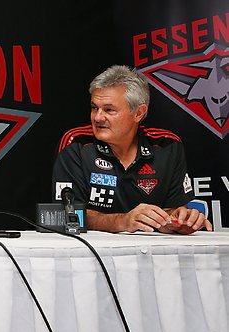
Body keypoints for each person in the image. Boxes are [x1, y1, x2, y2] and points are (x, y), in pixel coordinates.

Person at [52, 65, 211, 234]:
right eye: (94, 107)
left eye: (109, 110)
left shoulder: (167, 145)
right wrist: (122, 221)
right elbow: (65, 213)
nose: (97, 117)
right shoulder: (75, 143)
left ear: (139, 113)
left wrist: (179, 219)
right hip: (91, 252)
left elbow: (173, 209)